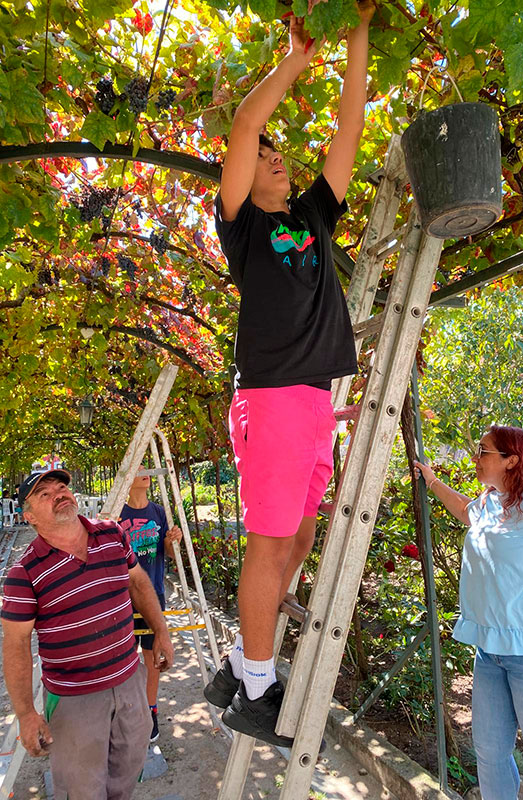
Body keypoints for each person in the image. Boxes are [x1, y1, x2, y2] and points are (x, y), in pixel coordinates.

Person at [203, 1, 376, 745]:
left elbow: (349, 128)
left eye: (280, 154)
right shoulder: (242, 225)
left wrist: (360, 28)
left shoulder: (310, 217)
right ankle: (255, 690)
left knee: (299, 541)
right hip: (273, 401)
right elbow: (244, 126)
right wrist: (298, 58)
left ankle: (239, 668)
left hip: (312, 404)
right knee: (271, 546)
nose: (276, 155)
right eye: (266, 155)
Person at [413, 426, 523, 800]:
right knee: (490, 753)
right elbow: (465, 511)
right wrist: (431, 482)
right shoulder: (493, 500)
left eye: (484, 451)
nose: (475, 458)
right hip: (492, 651)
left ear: (512, 459)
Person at [1, 469, 173, 800]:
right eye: (44, 494)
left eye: (61, 487)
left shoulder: (112, 534)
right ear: (29, 516)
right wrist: (25, 714)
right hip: (75, 702)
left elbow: (138, 582)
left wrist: (161, 631)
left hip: (129, 685)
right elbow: (16, 645)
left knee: (126, 775)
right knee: (82, 789)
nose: (58, 495)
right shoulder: (23, 574)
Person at [119, 471, 183, 742]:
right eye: (138, 469)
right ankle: (124, 712)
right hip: (121, 600)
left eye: (147, 468)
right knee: (122, 659)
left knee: (152, 656)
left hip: (153, 596)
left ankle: (150, 709)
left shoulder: (158, 511)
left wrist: (171, 541)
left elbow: (168, 553)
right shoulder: (117, 515)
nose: (145, 474)